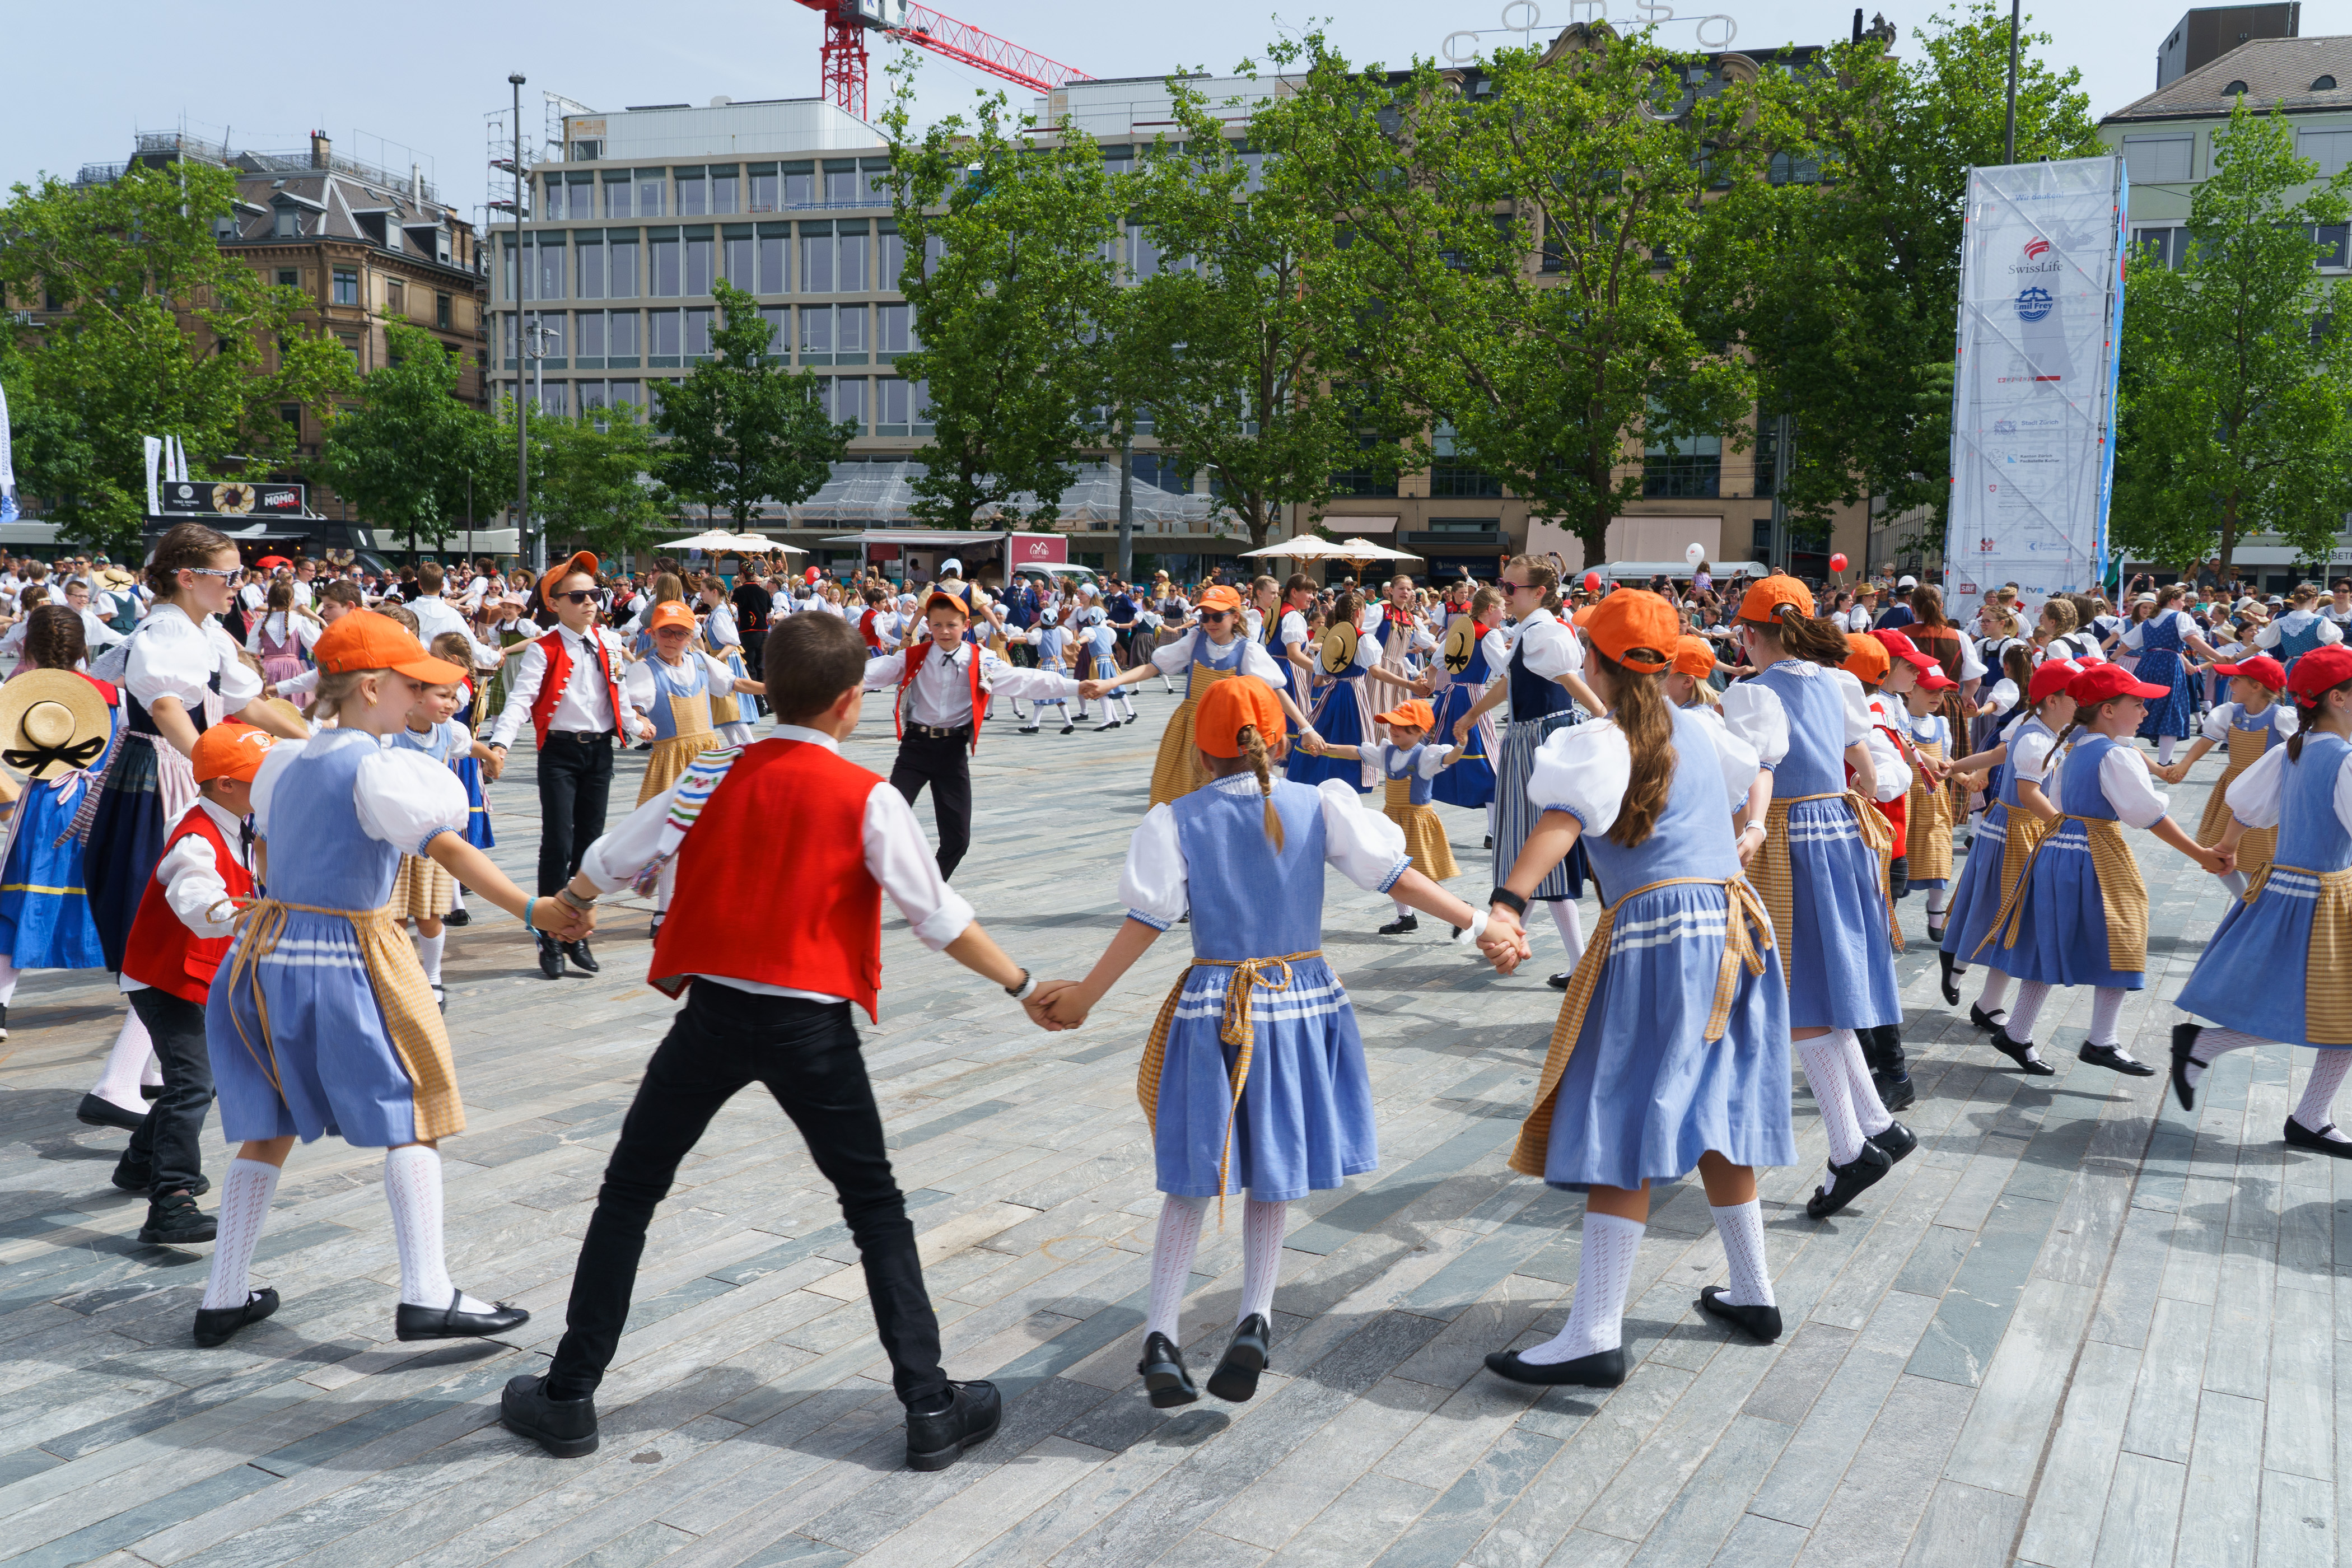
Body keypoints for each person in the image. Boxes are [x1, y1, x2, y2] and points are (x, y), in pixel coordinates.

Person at [501, 613, 1054, 1468]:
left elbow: (612, 859)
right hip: (813, 1029)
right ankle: (930, 1406)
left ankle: (570, 1395)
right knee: (874, 1208)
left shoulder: (715, 769)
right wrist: (1021, 985)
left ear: (769, 682)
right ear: (847, 703)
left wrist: (567, 903)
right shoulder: (866, 795)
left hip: (712, 1015)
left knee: (631, 1193)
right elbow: (938, 919)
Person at [1033, 676, 1482, 1408]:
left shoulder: (1178, 820)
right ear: (1278, 743)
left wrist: (1084, 996)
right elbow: (1394, 876)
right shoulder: (1319, 806)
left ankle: (1160, 1335)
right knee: (1271, 1172)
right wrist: (1478, 918)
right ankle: (1255, 1320)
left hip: (1215, 1007)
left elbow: (1147, 921)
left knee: (1193, 1173)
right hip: (1298, 1003)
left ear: (1201, 754)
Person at [197, 612, 586, 1348]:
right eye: (411, 684)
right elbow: (447, 849)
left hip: (267, 953)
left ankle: (223, 1294)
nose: (420, 697)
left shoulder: (284, 760)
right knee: (414, 1108)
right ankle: (427, 1291)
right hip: (350, 951)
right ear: (371, 687)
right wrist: (534, 907)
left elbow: (278, 851)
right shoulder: (380, 768)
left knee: (267, 1127)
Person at [1475, 590, 1790, 1387]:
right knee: (1716, 1109)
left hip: (1662, 939)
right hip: (1735, 928)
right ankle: (1754, 1293)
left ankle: (1595, 1332)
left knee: (1623, 1111)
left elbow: (1563, 820)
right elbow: (1750, 780)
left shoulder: (1602, 743)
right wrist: (1747, 835)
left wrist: (1508, 904)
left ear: (1593, 658)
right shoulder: (1702, 731)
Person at [78, 524, 307, 1135]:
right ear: (187, 576)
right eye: (228, 575)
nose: (239, 586)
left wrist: (316, 744)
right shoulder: (165, 631)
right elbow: (167, 706)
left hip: (192, 769)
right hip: (167, 771)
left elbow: (245, 703)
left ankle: (141, 1071)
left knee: (188, 917)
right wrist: (214, 765)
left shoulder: (204, 632)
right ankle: (124, 1078)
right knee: (170, 919)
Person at [1718, 576, 1912, 1220]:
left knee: (1795, 990)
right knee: (1826, 987)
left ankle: (1848, 1144)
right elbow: (1869, 769)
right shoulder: (1843, 682)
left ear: (1748, 634)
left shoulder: (1748, 694)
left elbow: (1750, 780)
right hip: (1841, 832)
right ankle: (1875, 1123)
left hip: (1782, 839)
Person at [1972, 662, 2230, 1078]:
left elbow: (2059, 797)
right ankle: (2101, 1039)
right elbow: (2146, 815)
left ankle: (2018, 1033)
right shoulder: (2114, 754)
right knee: (2124, 932)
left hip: (2059, 846)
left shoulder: (2074, 748)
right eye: (2138, 704)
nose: (2145, 712)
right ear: (2108, 710)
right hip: (2096, 850)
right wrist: (2199, 853)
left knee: (2053, 938)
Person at [2170, 644, 2352, 1155]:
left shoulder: (2294, 747)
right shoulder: (2341, 759)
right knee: (2327, 1012)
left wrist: (2226, 846)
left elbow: (2249, 805)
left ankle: (2309, 1115)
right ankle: (2306, 1115)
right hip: (2322, 898)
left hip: (2291, 889)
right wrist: (2226, 848)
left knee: (2329, 1013)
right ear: (2338, 697)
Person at [112, 720, 274, 1244]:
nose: (272, 787)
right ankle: (171, 1201)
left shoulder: (238, 820)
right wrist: (239, 915)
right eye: (261, 777)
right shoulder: (195, 833)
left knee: (194, 1080)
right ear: (226, 784)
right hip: (163, 977)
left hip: (194, 971)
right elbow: (194, 893)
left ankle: (139, 1163)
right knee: (194, 1083)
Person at [484, 551, 649, 981]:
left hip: (599, 752)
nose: (590, 602)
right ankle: (548, 932)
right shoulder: (544, 649)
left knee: (589, 847)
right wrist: (499, 744)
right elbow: (521, 700)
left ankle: (577, 931)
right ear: (554, 603)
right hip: (559, 752)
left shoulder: (610, 642)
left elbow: (619, 694)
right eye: (578, 597)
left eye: (595, 594)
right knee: (558, 842)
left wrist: (636, 726)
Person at [1453, 557, 1608, 987]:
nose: (1505, 593)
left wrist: (1604, 718)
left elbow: (1570, 680)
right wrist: (1470, 717)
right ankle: (1509, 930)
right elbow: (1508, 683)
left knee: (1541, 851)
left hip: (1540, 741)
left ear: (1538, 592)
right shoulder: (1530, 630)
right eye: (1504, 586)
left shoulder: (1544, 632)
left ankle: (1579, 962)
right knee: (1527, 847)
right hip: (1529, 740)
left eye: (1512, 587)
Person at [860, 590, 1084, 878]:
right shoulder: (914, 657)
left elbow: (1023, 680)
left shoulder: (981, 661)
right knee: (886, 822)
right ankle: (866, 883)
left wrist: (1076, 687)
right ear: (927, 625)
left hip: (953, 751)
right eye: (937, 625)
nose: (944, 631)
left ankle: (931, 891)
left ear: (966, 625)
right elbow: (872, 672)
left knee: (958, 840)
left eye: (952, 625)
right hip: (915, 749)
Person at [0, 613, 118, 1042]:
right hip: (99, 800)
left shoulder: (20, 697)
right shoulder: (109, 695)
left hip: (43, 803)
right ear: (84, 648)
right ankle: (141, 996)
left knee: (17, 902)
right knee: (114, 897)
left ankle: (0, 1007)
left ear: (28, 649)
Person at [1096, 585, 1316, 809]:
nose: (1210, 622)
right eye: (1205, 616)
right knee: (1175, 790)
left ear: (1235, 616)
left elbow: (1277, 690)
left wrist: (1306, 728)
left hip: (1227, 735)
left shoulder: (1247, 651)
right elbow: (1153, 667)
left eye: (1218, 616)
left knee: (1219, 799)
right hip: (1189, 730)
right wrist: (1111, 683)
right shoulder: (1195, 641)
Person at [1306, 697, 1467, 935]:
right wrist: (1326, 748)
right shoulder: (1388, 752)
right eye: (1392, 724)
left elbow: (1449, 759)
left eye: (1401, 726)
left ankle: (1460, 910)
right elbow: (1357, 752)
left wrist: (1460, 747)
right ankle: (1406, 916)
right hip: (1391, 819)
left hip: (1416, 821)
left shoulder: (1425, 756)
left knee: (1416, 875)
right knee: (1388, 868)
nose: (1393, 730)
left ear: (1420, 730)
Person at [2166, 654, 2292, 897]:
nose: (2230, 684)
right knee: (2218, 853)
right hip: (2233, 790)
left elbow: (2299, 752)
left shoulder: (2281, 717)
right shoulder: (2229, 713)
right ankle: (2241, 902)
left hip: (2264, 796)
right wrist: (2185, 764)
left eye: (2236, 680)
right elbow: (2206, 741)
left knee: (2257, 855)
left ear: (2256, 687)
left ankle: (2254, 903)